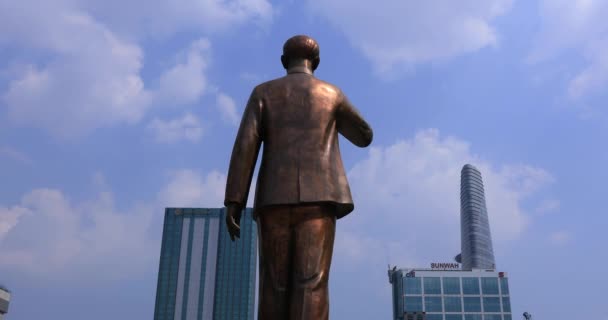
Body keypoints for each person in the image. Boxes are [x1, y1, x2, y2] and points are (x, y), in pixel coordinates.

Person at [224, 34, 373, 320]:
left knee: (274, 283)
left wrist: (235, 201)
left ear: (283, 61)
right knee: (311, 282)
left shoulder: (262, 93)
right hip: (319, 198)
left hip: (273, 199)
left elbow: (246, 145)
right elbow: (364, 136)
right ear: (315, 62)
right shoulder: (332, 94)